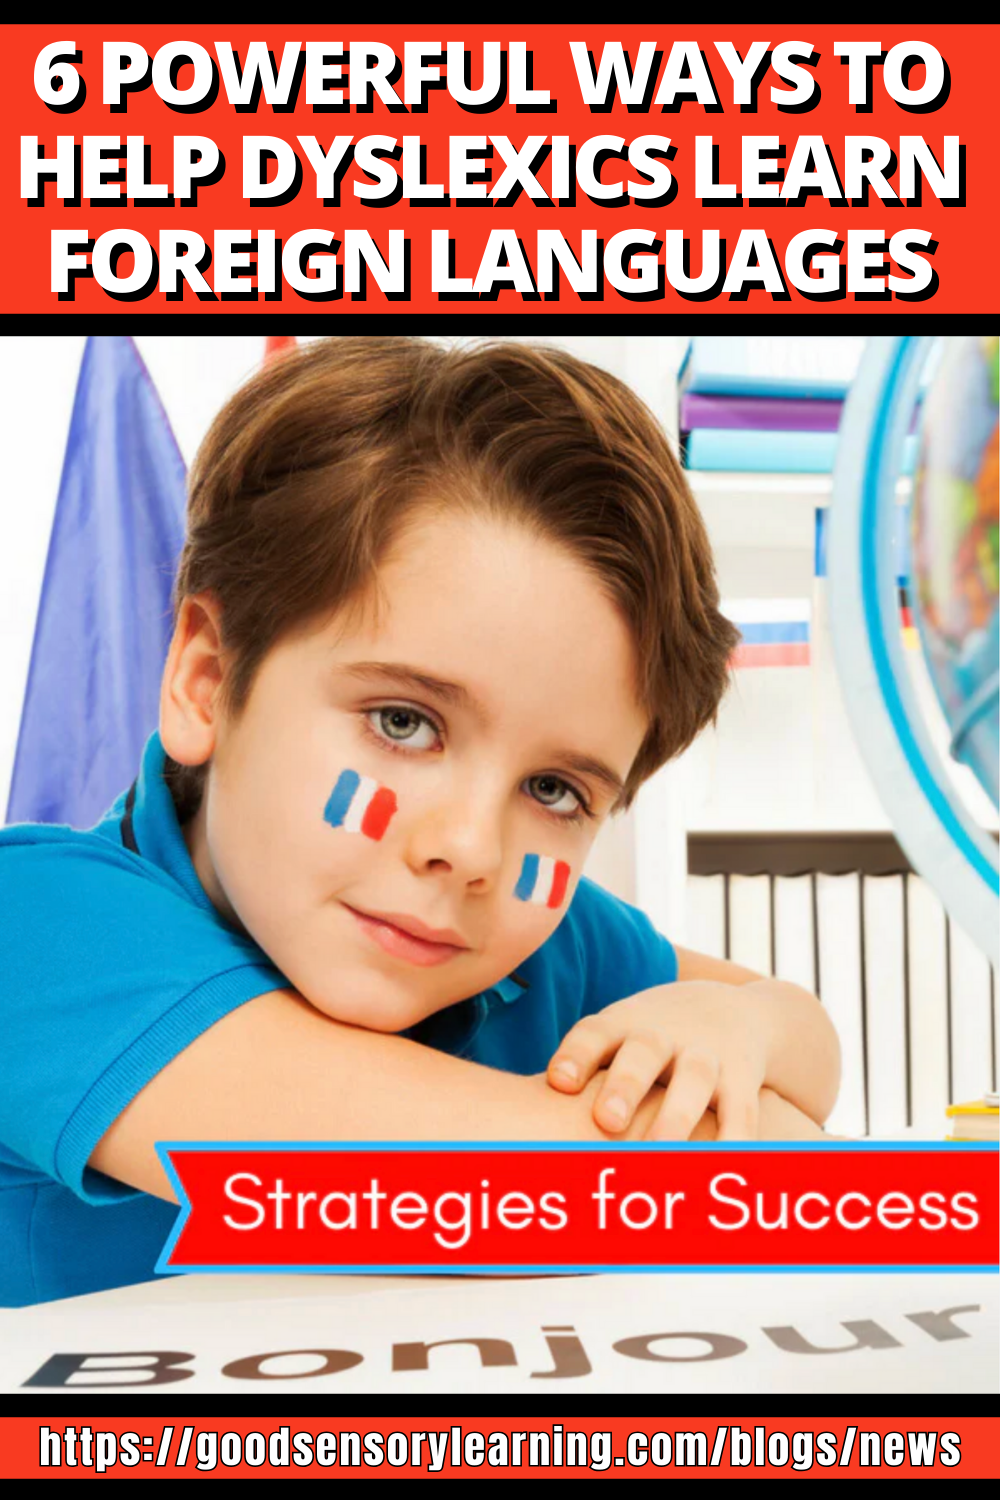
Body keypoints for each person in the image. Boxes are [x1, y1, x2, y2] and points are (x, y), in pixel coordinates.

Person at [0, 337, 839, 1307]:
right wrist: (740, 1128)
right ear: (207, 681)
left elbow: (804, 1040)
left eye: (556, 791)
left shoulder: (542, 950)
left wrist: (742, 1024)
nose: (471, 849)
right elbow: (455, 1187)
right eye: (403, 723)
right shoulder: (36, 928)